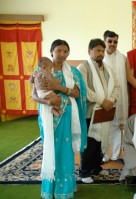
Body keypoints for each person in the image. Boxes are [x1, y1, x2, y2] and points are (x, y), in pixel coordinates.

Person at [31, 39, 87, 198]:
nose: (62, 54)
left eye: (65, 51)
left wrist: (57, 88)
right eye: (58, 51)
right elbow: (34, 96)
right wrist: (49, 101)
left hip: (67, 114)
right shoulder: (40, 70)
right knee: (51, 148)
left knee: (65, 150)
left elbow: (77, 94)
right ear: (51, 52)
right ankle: (50, 188)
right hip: (48, 115)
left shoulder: (73, 72)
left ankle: (65, 188)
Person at [77, 38, 120, 183]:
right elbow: (85, 90)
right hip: (90, 111)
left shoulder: (107, 68)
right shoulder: (83, 67)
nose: (100, 53)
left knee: (100, 141)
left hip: (105, 111)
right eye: (97, 50)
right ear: (90, 51)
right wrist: (103, 101)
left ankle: (96, 167)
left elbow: (117, 87)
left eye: (102, 50)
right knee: (89, 143)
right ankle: (84, 172)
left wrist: (111, 101)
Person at [103, 30, 128, 161]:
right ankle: (106, 154)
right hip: (105, 98)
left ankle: (117, 153)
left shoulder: (123, 58)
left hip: (121, 96)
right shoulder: (100, 57)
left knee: (119, 126)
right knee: (106, 127)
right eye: (110, 41)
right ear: (104, 42)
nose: (112, 44)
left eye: (115, 42)